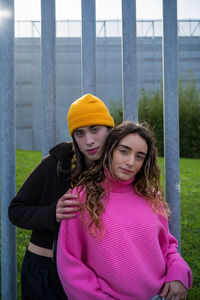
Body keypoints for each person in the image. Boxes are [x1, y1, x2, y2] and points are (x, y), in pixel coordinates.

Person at [57, 121, 192, 300]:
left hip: (159, 295)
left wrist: (177, 272)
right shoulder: (81, 198)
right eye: (124, 151)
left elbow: (167, 246)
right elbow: (70, 264)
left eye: (139, 156)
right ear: (109, 150)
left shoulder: (151, 196)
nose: (130, 162)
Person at [8, 93, 114, 300]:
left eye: (95, 130)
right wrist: (52, 213)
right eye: (80, 133)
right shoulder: (54, 164)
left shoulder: (119, 169)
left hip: (92, 274)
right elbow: (16, 210)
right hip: (45, 270)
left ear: (110, 130)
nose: (89, 141)